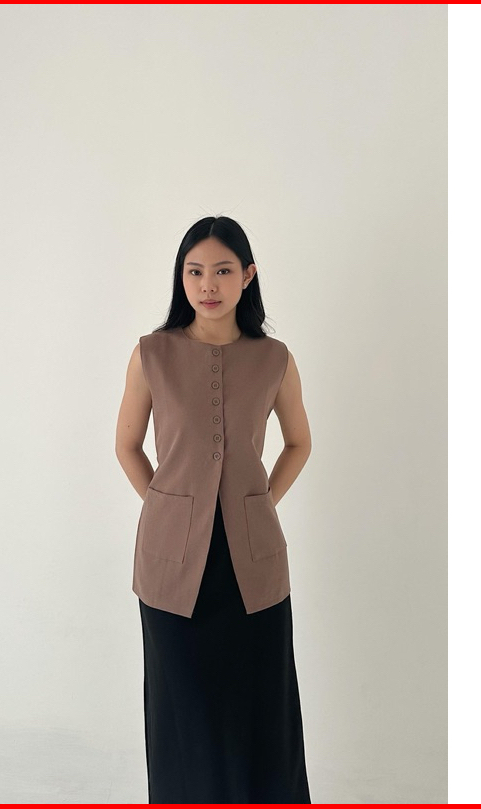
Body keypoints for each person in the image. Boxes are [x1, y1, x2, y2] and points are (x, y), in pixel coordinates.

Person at [115, 215, 313, 803]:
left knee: (260, 717)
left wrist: (259, 504)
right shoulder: (151, 354)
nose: (208, 284)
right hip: (171, 567)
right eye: (195, 271)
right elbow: (127, 446)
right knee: (185, 719)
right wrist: (171, 510)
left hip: (253, 565)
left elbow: (299, 443)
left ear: (247, 276)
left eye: (223, 270)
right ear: (181, 278)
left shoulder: (274, 358)